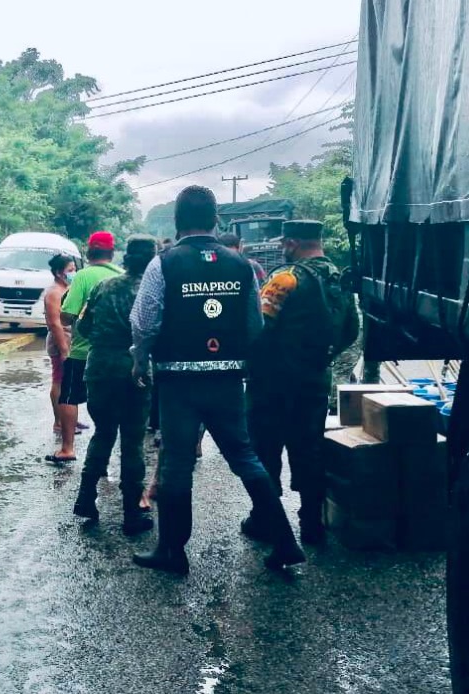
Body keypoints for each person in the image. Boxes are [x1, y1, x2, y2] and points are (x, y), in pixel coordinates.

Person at [130, 186, 304, 575]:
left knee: (176, 462)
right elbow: (254, 325)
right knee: (244, 456)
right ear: (215, 220)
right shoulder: (241, 265)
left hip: (178, 382)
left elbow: (144, 322)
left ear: (178, 221)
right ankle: (285, 541)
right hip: (227, 380)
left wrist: (140, 360)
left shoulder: (164, 264)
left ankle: (172, 552)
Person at [244, 220, 358, 545]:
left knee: (265, 450)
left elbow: (258, 325)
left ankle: (264, 519)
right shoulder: (339, 279)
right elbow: (351, 328)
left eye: (285, 243)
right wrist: (323, 357)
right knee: (309, 450)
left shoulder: (285, 277)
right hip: (314, 381)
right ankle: (312, 524)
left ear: (291, 242)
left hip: (272, 385)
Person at [72, 235, 158, 535]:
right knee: (132, 442)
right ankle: (132, 514)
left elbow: (82, 325)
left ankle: (85, 497)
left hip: (99, 368)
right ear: (152, 260)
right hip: (135, 371)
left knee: (103, 433)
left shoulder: (103, 287)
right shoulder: (152, 291)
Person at [53, 233, 124, 462]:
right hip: (117, 352)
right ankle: (111, 450)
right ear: (112, 253)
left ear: (88, 252)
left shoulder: (82, 277)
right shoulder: (122, 275)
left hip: (82, 351)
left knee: (69, 397)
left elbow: (66, 316)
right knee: (115, 400)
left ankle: (67, 448)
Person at [44, 254, 77, 443]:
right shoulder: (54, 292)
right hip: (60, 340)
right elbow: (55, 323)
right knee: (58, 381)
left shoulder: (67, 289)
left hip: (69, 339)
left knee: (68, 382)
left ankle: (69, 419)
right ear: (58, 272)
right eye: (70, 270)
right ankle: (59, 422)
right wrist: (64, 349)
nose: (73, 273)